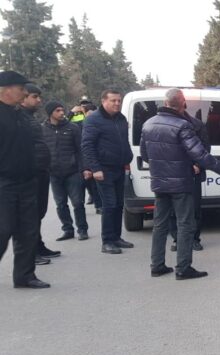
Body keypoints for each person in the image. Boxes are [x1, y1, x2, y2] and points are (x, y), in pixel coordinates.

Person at [141, 89, 220, 280]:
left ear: (165, 102)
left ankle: (157, 265)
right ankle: (183, 268)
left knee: (160, 225)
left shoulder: (148, 124)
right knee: (185, 224)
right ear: (183, 103)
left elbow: (146, 155)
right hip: (181, 183)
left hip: (159, 183)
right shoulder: (183, 126)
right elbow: (200, 154)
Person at [0, 71, 49, 289]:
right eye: (21, 89)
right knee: (3, 230)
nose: (24, 92)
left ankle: (24, 276)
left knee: (28, 231)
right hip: (4, 183)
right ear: (6, 90)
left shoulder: (21, 115)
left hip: (27, 181)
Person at [81, 89, 135, 254]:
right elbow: (87, 145)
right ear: (104, 101)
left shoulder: (121, 118)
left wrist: (127, 158)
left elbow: (123, 141)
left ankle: (116, 238)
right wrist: (95, 168)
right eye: (113, 100)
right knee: (109, 205)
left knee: (119, 204)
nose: (117, 103)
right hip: (103, 169)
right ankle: (107, 241)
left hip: (119, 167)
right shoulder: (93, 120)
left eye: (119, 100)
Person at [20, 84, 61, 264]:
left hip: (41, 172)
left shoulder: (29, 117)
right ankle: (30, 254)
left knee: (38, 213)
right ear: (23, 97)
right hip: (29, 174)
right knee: (28, 216)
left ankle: (38, 245)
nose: (39, 100)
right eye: (35, 97)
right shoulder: (17, 118)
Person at [43, 101, 89, 241]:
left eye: (62, 110)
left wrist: (85, 168)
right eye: (58, 110)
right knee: (61, 204)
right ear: (50, 113)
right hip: (54, 174)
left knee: (78, 203)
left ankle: (82, 230)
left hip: (72, 172)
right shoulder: (42, 129)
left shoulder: (72, 128)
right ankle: (68, 230)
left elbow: (80, 150)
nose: (62, 113)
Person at [169, 105, 210, 252]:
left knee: (194, 208)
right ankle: (177, 239)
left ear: (183, 105)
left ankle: (194, 239)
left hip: (193, 173)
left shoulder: (197, 124)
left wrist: (198, 165)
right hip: (173, 173)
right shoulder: (166, 124)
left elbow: (205, 148)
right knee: (174, 209)